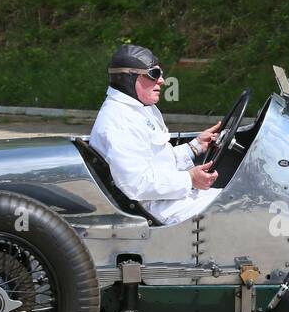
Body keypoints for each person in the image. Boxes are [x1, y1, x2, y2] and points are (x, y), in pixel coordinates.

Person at [89, 44, 222, 225]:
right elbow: (136, 184)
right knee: (245, 209)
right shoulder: (120, 121)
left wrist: (195, 146)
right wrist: (189, 179)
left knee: (243, 199)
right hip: (157, 210)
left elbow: (156, 160)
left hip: (169, 199)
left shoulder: (137, 109)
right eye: (154, 74)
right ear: (129, 78)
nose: (162, 81)